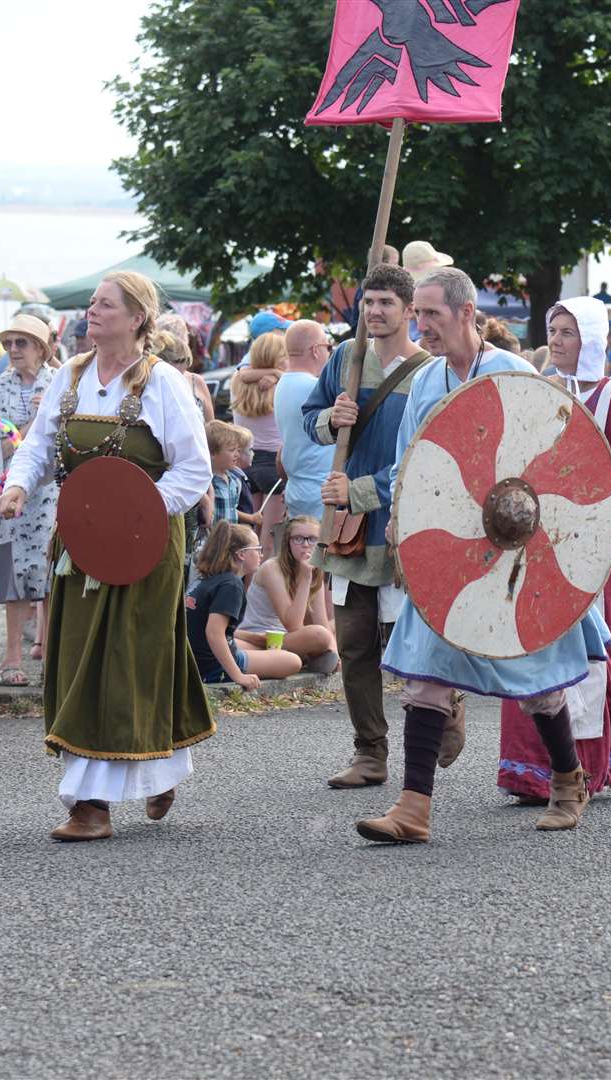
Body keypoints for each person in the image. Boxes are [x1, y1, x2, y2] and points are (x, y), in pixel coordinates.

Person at [360, 266, 611, 842]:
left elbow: (553, 461)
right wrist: (400, 520)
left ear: (467, 313)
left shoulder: (513, 373)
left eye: (432, 315)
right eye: (417, 314)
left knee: (537, 686)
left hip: (515, 556)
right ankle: (412, 809)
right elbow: (411, 464)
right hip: (449, 554)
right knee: (424, 679)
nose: (421, 326)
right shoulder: (426, 381)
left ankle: (569, 780)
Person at [0, 269, 214, 842]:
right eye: (90, 304)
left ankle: (95, 804)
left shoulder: (164, 383)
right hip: (81, 544)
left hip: (146, 546)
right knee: (80, 660)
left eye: (105, 305)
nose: (92, 312)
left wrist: (137, 511)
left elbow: (195, 470)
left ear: (137, 317)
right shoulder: (69, 377)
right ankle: (120, 783)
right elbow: (37, 447)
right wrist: (17, 485)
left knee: (129, 659)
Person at [497, 296, 611, 803]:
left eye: (568, 332)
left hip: (598, 541)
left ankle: (588, 767)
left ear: (590, 339)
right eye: (553, 330)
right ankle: (534, 771)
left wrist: (587, 479)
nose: (557, 340)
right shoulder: (543, 389)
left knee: (593, 652)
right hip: (543, 540)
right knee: (537, 642)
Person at [304, 263, 434, 789]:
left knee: (406, 640)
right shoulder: (346, 358)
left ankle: (447, 708)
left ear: (408, 311)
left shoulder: (429, 370)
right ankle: (370, 753)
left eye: (386, 303)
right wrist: (329, 420)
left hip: (402, 524)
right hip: (349, 527)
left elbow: (424, 455)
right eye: (368, 303)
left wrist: (361, 490)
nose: (375, 312)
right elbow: (310, 418)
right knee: (355, 642)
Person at [0, 315, 59, 684]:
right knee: (15, 580)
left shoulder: (60, 384)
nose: (13, 350)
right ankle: (11, 658)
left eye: (22, 343)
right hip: (13, 493)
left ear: (42, 349)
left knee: (54, 578)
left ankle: (53, 658)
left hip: (52, 497)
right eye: (9, 343)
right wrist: (31, 425)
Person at [186, 521, 305, 687]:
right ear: (242, 554)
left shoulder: (206, 579)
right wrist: (238, 676)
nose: (261, 555)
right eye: (257, 550)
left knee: (260, 649)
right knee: (292, 661)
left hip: (194, 659)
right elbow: (214, 633)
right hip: (211, 665)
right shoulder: (231, 585)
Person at [232, 515, 338, 672]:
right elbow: (293, 625)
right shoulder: (272, 568)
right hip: (260, 635)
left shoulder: (315, 571)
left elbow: (321, 622)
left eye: (312, 539)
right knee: (320, 635)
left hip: (287, 639)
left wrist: (334, 653)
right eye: (298, 539)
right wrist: (305, 579)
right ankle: (300, 656)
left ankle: (298, 656)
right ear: (288, 542)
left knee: (327, 631)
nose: (306, 545)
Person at [273, 319, 337, 521]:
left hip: (299, 489)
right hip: (321, 491)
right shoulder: (313, 387)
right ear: (316, 350)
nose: (330, 353)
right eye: (328, 347)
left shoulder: (283, 384)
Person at [230, 330, 284, 540]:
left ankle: (246, 574)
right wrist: (277, 374)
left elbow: (243, 372)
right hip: (274, 464)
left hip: (244, 462)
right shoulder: (283, 385)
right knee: (269, 541)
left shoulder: (237, 380)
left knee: (245, 537)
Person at [201, 421, 259, 529]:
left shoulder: (235, 481)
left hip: (230, 538)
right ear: (212, 453)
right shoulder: (207, 483)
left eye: (238, 450)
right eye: (232, 450)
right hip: (213, 540)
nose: (237, 454)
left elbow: (232, 510)